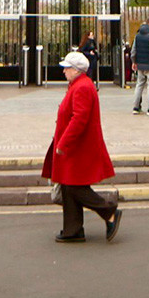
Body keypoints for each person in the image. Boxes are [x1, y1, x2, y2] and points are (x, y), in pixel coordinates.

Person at [43, 51, 121, 243]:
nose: (63, 71)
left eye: (66, 68)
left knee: (74, 186)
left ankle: (109, 210)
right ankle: (73, 229)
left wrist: (63, 143)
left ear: (76, 70)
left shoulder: (82, 87)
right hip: (76, 145)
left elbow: (79, 119)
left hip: (78, 146)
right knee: (69, 185)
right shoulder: (78, 85)